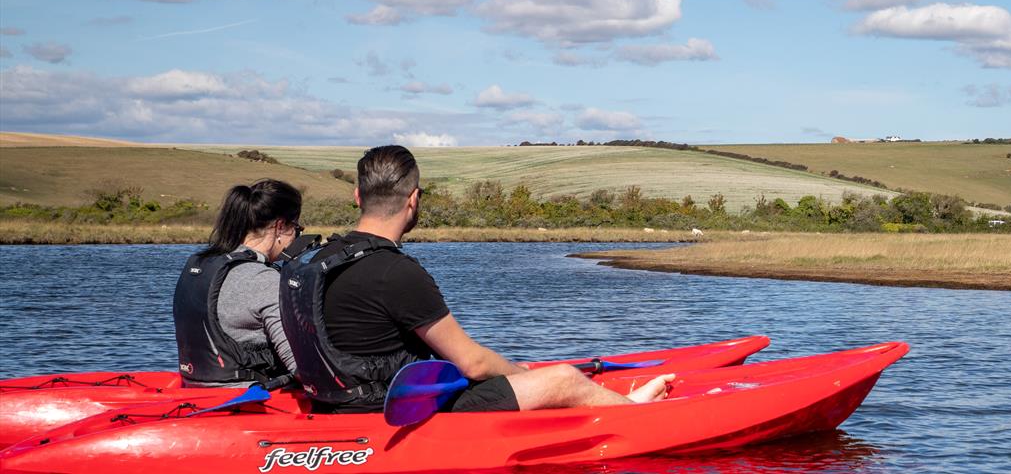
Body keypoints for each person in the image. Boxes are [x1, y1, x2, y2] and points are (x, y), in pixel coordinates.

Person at [280, 145, 673, 414]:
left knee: (521, 373)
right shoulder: (396, 271)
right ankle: (634, 410)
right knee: (565, 379)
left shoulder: (318, 258)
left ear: (357, 196)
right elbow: (473, 364)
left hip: (340, 400)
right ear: (414, 199)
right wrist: (532, 380)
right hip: (396, 409)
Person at [174, 179, 306, 388]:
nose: (297, 237)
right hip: (245, 399)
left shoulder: (199, 264)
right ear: (280, 227)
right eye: (297, 229)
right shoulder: (264, 279)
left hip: (194, 385)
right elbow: (300, 368)